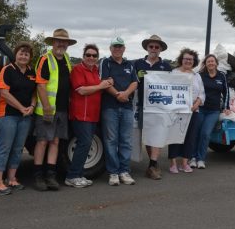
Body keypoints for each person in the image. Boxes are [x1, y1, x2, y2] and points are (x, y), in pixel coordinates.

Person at [33, 28, 76, 191]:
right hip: (47, 109)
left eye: (64, 42)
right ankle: (38, 175)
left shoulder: (66, 58)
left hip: (62, 109)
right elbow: (41, 84)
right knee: (42, 141)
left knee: (55, 141)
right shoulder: (45, 59)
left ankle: (50, 175)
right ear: (52, 42)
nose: (61, 44)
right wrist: (46, 108)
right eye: (58, 41)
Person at [0, 42, 36, 195]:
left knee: (18, 148)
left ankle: (12, 179)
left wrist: (32, 106)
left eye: (26, 54)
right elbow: (4, 93)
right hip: (7, 115)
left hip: (25, 116)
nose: (23, 56)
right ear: (15, 54)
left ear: (30, 57)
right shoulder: (7, 70)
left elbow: (35, 92)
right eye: (21, 53)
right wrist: (21, 108)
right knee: (4, 147)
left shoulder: (31, 71)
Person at [65, 44, 113, 188]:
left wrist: (108, 82)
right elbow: (81, 90)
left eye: (94, 56)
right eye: (88, 55)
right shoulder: (78, 69)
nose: (91, 58)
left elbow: (101, 85)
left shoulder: (96, 71)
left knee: (86, 144)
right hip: (81, 114)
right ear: (83, 56)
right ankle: (72, 176)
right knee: (84, 143)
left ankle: (79, 175)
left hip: (93, 115)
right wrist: (101, 86)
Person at [100, 37, 139, 186]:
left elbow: (134, 82)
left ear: (124, 49)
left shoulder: (130, 64)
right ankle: (113, 172)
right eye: (115, 46)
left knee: (126, 141)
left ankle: (124, 171)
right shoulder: (106, 62)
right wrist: (117, 94)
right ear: (110, 48)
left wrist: (126, 94)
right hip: (110, 107)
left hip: (127, 107)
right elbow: (104, 82)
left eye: (120, 46)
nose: (117, 49)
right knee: (111, 140)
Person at [134, 34, 172, 180]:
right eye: (151, 46)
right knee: (147, 136)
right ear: (147, 48)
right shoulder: (137, 64)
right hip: (142, 105)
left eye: (157, 47)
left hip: (160, 107)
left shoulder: (166, 66)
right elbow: (131, 81)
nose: (154, 49)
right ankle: (153, 163)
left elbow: (172, 86)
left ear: (161, 49)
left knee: (158, 134)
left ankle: (152, 164)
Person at [191, 54, 230, 169]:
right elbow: (194, 90)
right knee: (196, 133)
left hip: (213, 111)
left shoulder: (221, 76)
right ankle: (193, 158)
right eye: (208, 61)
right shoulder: (200, 75)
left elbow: (226, 92)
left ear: (216, 63)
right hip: (200, 109)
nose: (211, 63)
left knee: (205, 133)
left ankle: (201, 159)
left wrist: (226, 107)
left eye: (212, 61)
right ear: (205, 64)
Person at [168, 48, 204, 174]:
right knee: (174, 136)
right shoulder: (173, 73)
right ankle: (173, 163)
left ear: (194, 62)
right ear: (181, 60)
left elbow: (202, 94)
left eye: (191, 59)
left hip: (193, 111)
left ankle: (184, 163)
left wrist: (196, 104)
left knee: (190, 137)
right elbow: (168, 91)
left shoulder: (197, 76)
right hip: (176, 111)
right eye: (186, 59)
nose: (188, 61)